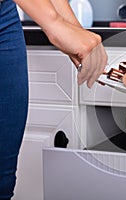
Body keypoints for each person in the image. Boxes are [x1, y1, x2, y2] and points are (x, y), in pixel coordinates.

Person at [0, 0, 107, 199]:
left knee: (2, 182)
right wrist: (54, 23)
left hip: (3, 14)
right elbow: (54, 23)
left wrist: (74, 30)